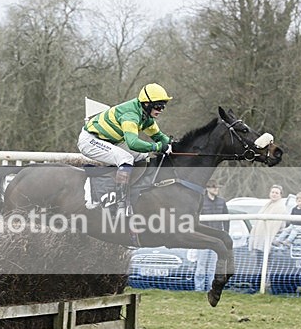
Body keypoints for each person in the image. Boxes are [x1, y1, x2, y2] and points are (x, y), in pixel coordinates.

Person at [78, 83, 173, 215]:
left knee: (142, 155)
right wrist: (157, 147)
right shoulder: (131, 115)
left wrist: (174, 144)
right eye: (158, 105)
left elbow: (159, 136)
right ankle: (120, 203)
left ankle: (129, 189)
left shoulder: (146, 116)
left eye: (163, 106)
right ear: (146, 104)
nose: (161, 109)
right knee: (126, 158)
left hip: (110, 141)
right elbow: (133, 143)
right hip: (90, 140)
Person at [194, 179, 229, 292]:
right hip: (203, 237)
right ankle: (199, 289)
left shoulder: (222, 202)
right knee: (201, 265)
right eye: (214, 187)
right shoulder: (201, 201)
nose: (216, 189)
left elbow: (226, 218)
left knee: (212, 266)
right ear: (208, 188)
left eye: (217, 187)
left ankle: (210, 288)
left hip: (217, 238)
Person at [250, 184, 287, 254]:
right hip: (260, 238)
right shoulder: (267, 205)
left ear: (280, 195)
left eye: (276, 193)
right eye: (272, 192)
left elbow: (275, 225)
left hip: (271, 240)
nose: (274, 194)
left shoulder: (280, 207)